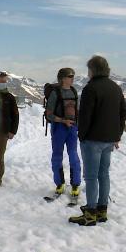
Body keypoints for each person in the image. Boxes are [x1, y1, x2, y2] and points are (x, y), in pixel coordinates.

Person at [69, 56, 126, 226]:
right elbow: (123, 113)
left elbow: (85, 116)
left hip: (92, 139)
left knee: (91, 177)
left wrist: (82, 135)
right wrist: (117, 135)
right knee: (104, 175)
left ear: (93, 70)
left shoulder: (91, 88)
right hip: (109, 139)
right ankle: (102, 210)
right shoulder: (116, 88)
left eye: (89, 69)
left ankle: (90, 213)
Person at [45, 68, 81, 198]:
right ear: (62, 78)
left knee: (73, 155)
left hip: (72, 128)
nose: (73, 78)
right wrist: (62, 120)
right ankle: (59, 184)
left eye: (73, 76)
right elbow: (48, 114)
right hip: (59, 128)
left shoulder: (73, 91)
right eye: (70, 76)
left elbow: (76, 111)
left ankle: (75, 184)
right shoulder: (55, 93)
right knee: (57, 156)